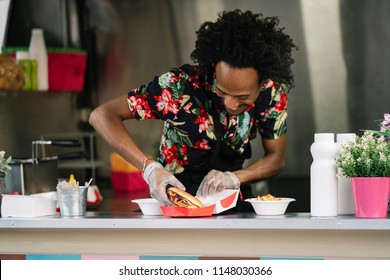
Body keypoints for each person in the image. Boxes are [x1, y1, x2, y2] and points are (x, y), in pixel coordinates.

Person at [89, 9, 297, 211]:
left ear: (262, 84)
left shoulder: (272, 94)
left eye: (243, 98)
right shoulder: (179, 86)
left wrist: (234, 178)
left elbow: (275, 159)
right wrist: (150, 169)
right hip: (174, 199)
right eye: (222, 91)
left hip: (231, 199)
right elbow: (102, 116)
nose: (230, 104)